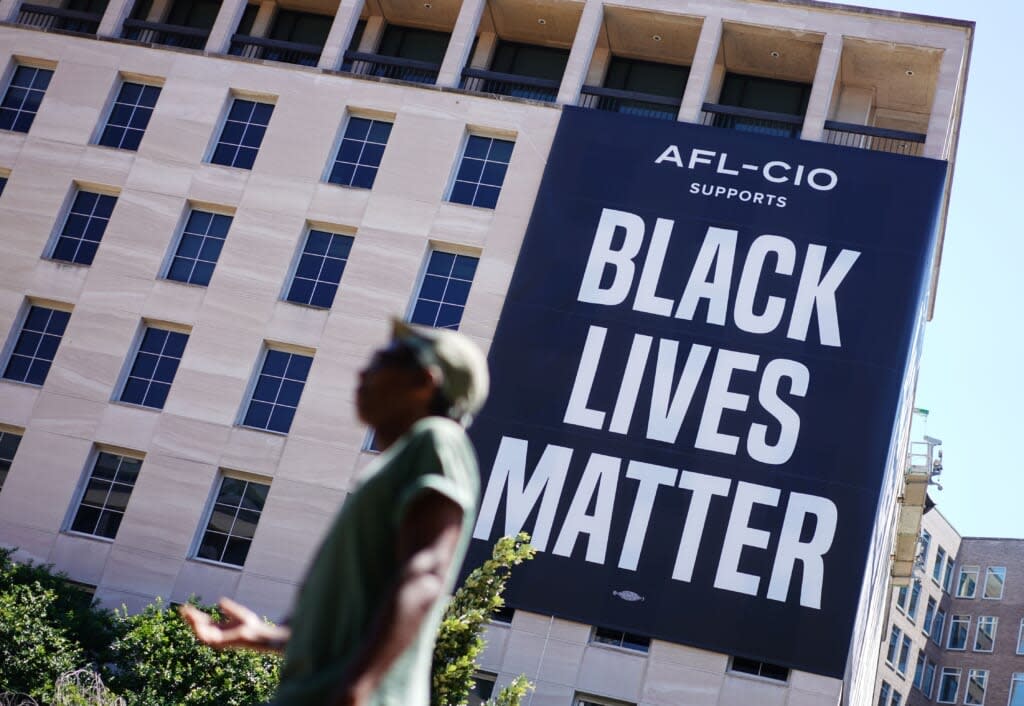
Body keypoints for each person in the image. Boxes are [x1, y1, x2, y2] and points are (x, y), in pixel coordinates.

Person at [181, 318, 489, 706]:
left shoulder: (439, 439)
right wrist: (262, 635)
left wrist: (358, 690)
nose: (364, 371)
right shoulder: (393, 467)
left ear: (424, 383)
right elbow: (345, 632)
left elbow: (426, 576)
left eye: (384, 359)